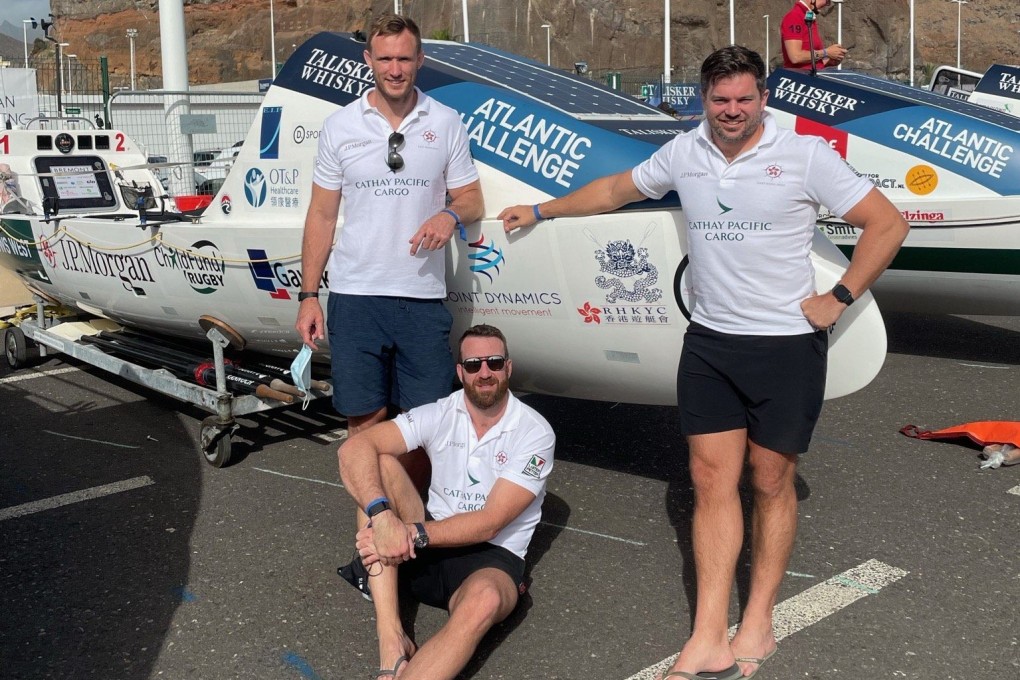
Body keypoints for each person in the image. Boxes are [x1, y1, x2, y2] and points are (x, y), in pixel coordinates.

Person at [498, 45, 907, 680]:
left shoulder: (804, 156)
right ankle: (709, 631)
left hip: (786, 347)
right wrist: (542, 210)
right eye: (721, 100)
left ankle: (761, 619)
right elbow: (615, 189)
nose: (733, 111)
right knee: (711, 481)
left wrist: (840, 297)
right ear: (703, 99)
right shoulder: (686, 151)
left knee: (771, 482)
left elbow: (885, 223)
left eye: (745, 99)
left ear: (764, 97)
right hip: (711, 344)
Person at [295, 13, 483, 440]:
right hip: (356, 297)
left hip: (421, 298)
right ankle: (374, 510)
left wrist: (448, 214)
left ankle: (412, 509)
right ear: (369, 60)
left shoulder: (446, 121)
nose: (394, 70)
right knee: (364, 421)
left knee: (424, 427)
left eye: (404, 58)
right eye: (384, 59)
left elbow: (471, 199)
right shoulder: (340, 126)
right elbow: (321, 215)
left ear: (420, 59)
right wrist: (308, 296)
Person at [337, 324, 555, 679]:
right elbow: (354, 449)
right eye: (473, 365)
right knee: (376, 469)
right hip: (428, 538)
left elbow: (491, 521)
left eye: (494, 362)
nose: (484, 372)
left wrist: (407, 533)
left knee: (484, 601)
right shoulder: (440, 412)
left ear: (508, 368)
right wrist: (383, 517)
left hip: (491, 556)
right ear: (460, 372)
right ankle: (391, 640)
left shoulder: (535, 431)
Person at [780, 0, 847, 71]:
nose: (827, 4)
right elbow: (795, 57)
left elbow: (809, 61)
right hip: (799, 77)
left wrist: (828, 61)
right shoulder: (794, 17)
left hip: (811, 75)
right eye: (827, 1)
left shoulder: (808, 17)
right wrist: (826, 53)